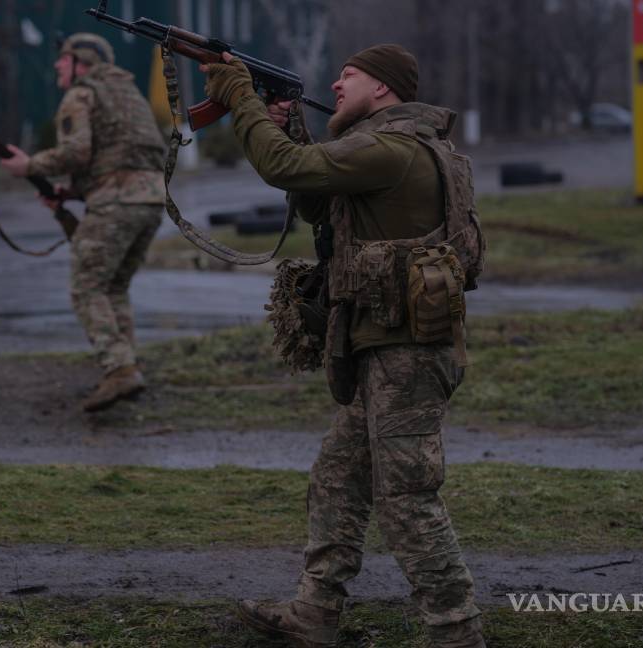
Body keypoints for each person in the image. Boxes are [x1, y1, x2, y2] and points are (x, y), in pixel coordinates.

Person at [200, 45, 486, 648]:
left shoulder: (391, 148)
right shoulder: (386, 146)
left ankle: (456, 630)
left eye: (348, 76)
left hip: (404, 353)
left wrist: (239, 95)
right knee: (337, 477)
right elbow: (316, 200)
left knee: (407, 496)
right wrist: (290, 126)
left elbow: (284, 167)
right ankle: (315, 611)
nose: (334, 83)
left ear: (382, 89)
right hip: (385, 344)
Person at [0, 33, 167, 412]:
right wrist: (70, 194)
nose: (58, 64)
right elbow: (120, 155)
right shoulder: (127, 94)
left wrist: (30, 166)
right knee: (114, 287)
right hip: (151, 201)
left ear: (83, 64)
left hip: (116, 202)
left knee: (87, 288)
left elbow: (76, 152)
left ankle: (119, 368)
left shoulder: (82, 94)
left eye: (64, 59)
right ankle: (127, 366)